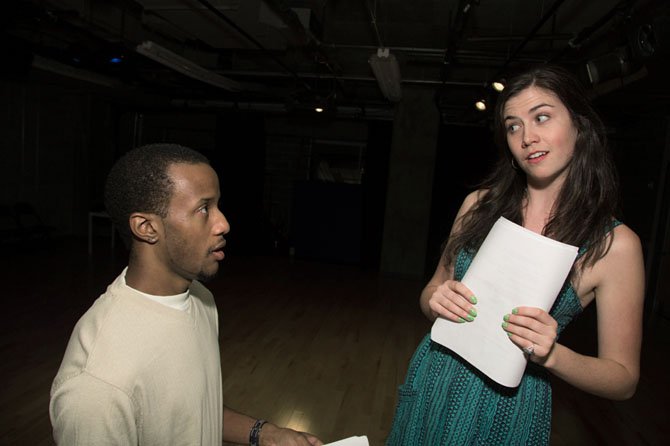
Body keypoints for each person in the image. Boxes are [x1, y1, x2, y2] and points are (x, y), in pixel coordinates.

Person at [386, 65, 645, 445]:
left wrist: (552, 354)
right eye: (513, 126)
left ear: (579, 126)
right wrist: (437, 300)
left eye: (542, 117)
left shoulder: (614, 244)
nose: (527, 137)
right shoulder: (478, 205)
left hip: (506, 408)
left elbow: (623, 379)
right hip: (432, 379)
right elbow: (431, 293)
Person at [49, 143, 322, 446]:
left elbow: (191, 413)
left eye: (218, 205)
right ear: (146, 227)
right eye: (204, 209)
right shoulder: (98, 385)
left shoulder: (201, 299)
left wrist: (265, 433)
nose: (224, 223)